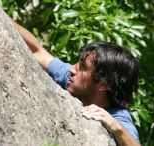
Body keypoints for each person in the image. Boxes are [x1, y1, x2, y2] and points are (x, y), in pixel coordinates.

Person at [11, 19, 141, 146]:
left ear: (103, 85)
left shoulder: (117, 116)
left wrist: (116, 128)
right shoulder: (72, 78)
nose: (72, 69)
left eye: (83, 67)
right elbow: (37, 51)